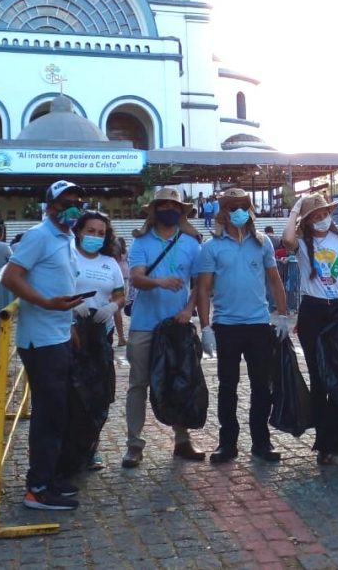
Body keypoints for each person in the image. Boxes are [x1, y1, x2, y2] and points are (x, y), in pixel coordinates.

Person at [1, 180, 87, 511]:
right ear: (50, 206)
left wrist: (69, 324)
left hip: (59, 335)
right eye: (67, 201)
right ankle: (37, 488)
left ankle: (48, 478)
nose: (74, 206)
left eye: (78, 201)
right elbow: (12, 277)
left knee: (58, 413)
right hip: (41, 340)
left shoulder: (66, 238)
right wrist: (46, 303)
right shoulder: (39, 235)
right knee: (48, 416)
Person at [196, 188, 289, 464]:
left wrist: (282, 315)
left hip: (258, 324)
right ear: (222, 212)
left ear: (249, 210)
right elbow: (203, 289)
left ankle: (261, 442)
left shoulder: (262, 244)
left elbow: (274, 280)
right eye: (230, 206)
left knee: (262, 386)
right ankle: (228, 444)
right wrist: (205, 327)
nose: (236, 210)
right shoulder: (211, 247)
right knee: (228, 386)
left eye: (241, 206)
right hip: (226, 325)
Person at [121, 188, 205, 468]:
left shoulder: (192, 243)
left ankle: (182, 440)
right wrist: (160, 282)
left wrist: (188, 310)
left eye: (174, 205)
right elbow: (136, 278)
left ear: (181, 211)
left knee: (179, 381)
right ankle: (134, 444)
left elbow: (199, 284)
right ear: (154, 210)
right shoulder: (141, 242)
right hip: (145, 325)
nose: (168, 209)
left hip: (177, 325)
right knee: (138, 384)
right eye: (163, 205)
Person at [282, 193, 338, 465]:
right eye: (315, 216)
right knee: (318, 376)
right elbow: (287, 240)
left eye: (324, 214)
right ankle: (323, 440)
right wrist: (295, 212)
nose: (321, 220)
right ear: (308, 221)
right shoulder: (303, 244)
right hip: (312, 311)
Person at [66, 210, 125, 471]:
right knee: (74, 392)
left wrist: (112, 308)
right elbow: (55, 287)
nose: (95, 237)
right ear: (79, 231)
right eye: (90, 231)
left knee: (98, 393)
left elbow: (121, 294)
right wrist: (70, 307)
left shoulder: (109, 263)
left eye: (101, 233)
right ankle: (69, 451)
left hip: (102, 330)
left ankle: (92, 448)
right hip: (72, 331)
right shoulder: (68, 257)